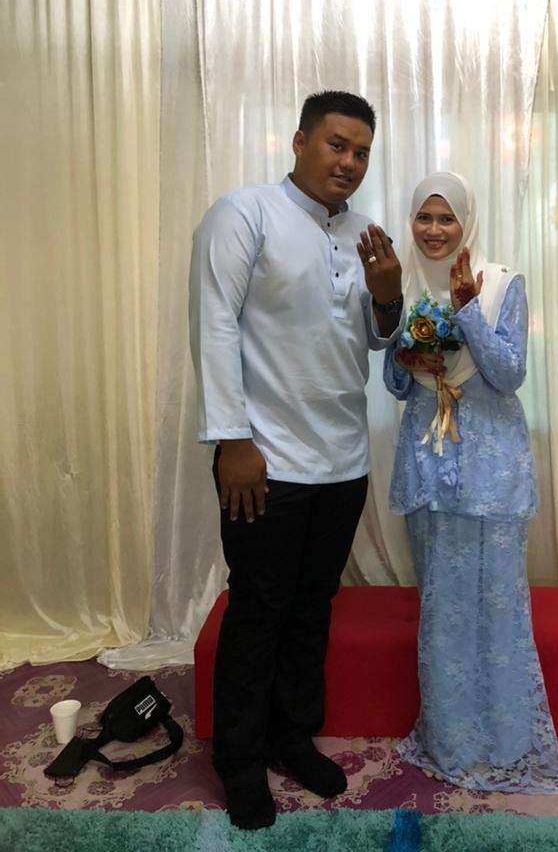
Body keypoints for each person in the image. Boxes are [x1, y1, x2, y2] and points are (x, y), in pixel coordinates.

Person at [189, 90, 403, 830]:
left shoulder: (362, 235)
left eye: (361, 152)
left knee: (313, 609)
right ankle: (241, 761)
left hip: (342, 460)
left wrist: (388, 295)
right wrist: (231, 440)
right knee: (258, 611)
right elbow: (214, 324)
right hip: (265, 460)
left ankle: (291, 737)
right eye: (336, 144)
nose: (349, 161)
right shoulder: (243, 213)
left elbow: (374, 339)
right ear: (300, 141)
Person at [384, 172, 558, 794]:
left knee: (496, 604)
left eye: (447, 218)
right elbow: (395, 384)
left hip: (491, 468)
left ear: (468, 222)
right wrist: (408, 359)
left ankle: (508, 737)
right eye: (424, 217)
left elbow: (509, 374)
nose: (434, 230)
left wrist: (467, 310)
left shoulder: (503, 284)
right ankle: (451, 738)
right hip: (428, 462)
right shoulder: (405, 287)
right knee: (442, 604)